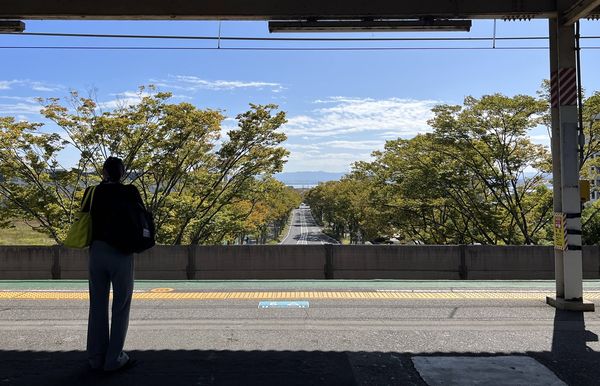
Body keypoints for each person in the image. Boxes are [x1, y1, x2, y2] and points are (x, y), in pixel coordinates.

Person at [82, 156, 143, 372]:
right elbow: (141, 217)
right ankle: (114, 359)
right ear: (123, 173)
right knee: (121, 306)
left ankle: (95, 358)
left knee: (97, 305)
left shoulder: (91, 192)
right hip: (122, 254)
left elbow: (84, 217)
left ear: (104, 172)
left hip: (97, 251)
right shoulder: (130, 192)